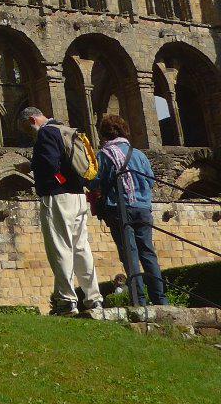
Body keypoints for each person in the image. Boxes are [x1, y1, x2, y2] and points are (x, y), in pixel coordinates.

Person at [22, 106, 102, 317]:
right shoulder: (65, 129)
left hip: (58, 197)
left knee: (60, 248)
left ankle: (67, 301)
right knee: (81, 248)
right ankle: (94, 299)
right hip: (78, 196)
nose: (30, 133)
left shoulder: (46, 132)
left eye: (28, 128)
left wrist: (52, 178)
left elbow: (50, 164)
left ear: (33, 119)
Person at [93, 112, 165, 306]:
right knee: (148, 253)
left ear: (104, 134)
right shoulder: (138, 153)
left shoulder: (104, 155)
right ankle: (160, 299)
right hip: (142, 208)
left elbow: (97, 182)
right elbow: (150, 180)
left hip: (119, 209)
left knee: (130, 255)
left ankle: (139, 299)